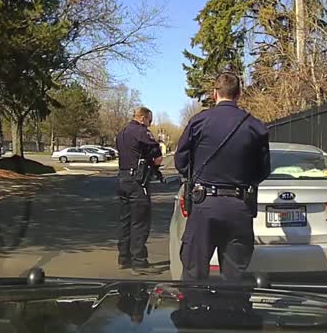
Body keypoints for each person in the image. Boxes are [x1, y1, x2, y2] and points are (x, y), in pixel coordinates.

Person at [174, 72, 271, 281]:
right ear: (239, 94)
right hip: (238, 206)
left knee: (194, 274)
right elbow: (263, 170)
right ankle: (234, 311)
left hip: (204, 204)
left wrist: (196, 176)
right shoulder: (254, 126)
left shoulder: (199, 121)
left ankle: (194, 310)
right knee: (235, 276)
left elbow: (180, 161)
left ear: (214, 93)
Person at [115, 107, 164, 275]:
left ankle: (123, 257)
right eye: (150, 121)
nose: (150, 124)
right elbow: (157, 158)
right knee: (140, 222)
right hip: (137, 181)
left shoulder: (122, 133)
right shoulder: (142, 132)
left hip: (122, 179)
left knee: (125, 220)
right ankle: (139, 261)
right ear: (143, 118)